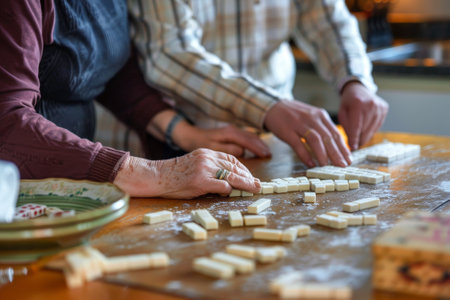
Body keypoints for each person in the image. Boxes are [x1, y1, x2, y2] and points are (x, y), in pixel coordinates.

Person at [0, 0, 261, 199]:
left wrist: (182, 132)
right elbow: (7, 122)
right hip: (13, 197)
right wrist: (151, 173)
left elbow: (103, 63)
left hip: (67, 190)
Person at [128, 0, 389, 168]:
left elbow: (327, 20)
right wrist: (267, 106)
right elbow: (171, 53)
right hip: (169, 140)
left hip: (273, 142)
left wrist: (354, 79)